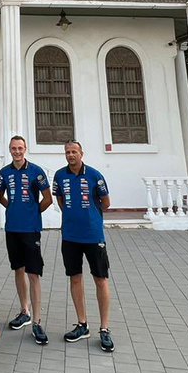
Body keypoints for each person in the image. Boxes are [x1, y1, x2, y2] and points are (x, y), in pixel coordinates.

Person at [53, 140, 114, 352]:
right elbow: (60, 200)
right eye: (68, 152)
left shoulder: (95, 175)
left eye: (74, 152)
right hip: (70, 236)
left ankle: (104, 328)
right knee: (75, 278)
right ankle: (82, 324)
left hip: (93, 236)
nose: (71, 155)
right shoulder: (60, 176)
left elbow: (105, 203)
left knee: (100, 280)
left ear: (81, 153)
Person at [0, 135, 53, 346]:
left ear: (25, 149)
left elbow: (48, 198)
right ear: (10, 150)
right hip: (12, 229)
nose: (17, 151)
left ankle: (37, 321)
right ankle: (24, 311)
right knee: (18, 270)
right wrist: (10, 207)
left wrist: (32, 211)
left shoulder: (36, 172)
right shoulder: (4, 173)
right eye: (13, 148)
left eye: (20, 148)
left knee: (33, 273)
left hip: (30, 230)